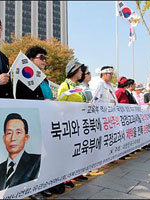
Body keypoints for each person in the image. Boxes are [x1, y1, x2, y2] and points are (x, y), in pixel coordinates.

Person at [16, 46, 53, 198]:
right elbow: (21, 98)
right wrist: (42, 100)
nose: (44, 60)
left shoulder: (43, 78)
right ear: (31, 59)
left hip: (45, 118)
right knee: (34, 156)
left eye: (45, 58)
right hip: (32, 119)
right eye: (41, 57)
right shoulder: (24, 76)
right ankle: (31, 188)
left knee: (45, 155)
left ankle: (42, 184)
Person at [0, 113, 41, 195]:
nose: (13, 138)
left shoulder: (37, 162)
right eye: (9, 133)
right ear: (4, 138)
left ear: (26, 137)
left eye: (18, 132)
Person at [57, 60, 88, 188]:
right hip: (69, 124)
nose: (82, 73)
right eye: (80, 70)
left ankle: (77, 172)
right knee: (69, 150)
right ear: (74, 71)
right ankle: (66, 177)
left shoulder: (79, 88)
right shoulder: (65, 85)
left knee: (78, 148)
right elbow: (59, 103)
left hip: (80, 122)